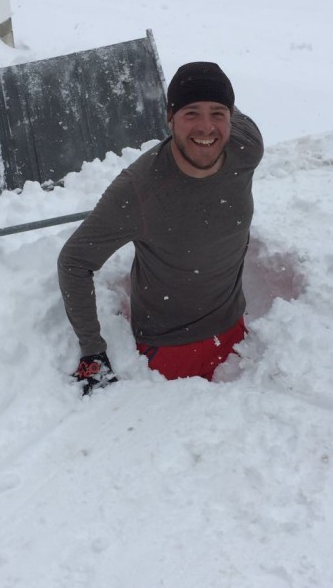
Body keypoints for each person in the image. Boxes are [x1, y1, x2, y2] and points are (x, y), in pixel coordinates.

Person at [57, 61, 264, 394]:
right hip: (168, 350)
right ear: (170, 118)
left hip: (235, 328)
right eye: (191, 113)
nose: (207, 128)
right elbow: (73, 262)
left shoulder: (246, 146)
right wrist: (92, 350)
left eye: (218, 113)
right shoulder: (139, 190)